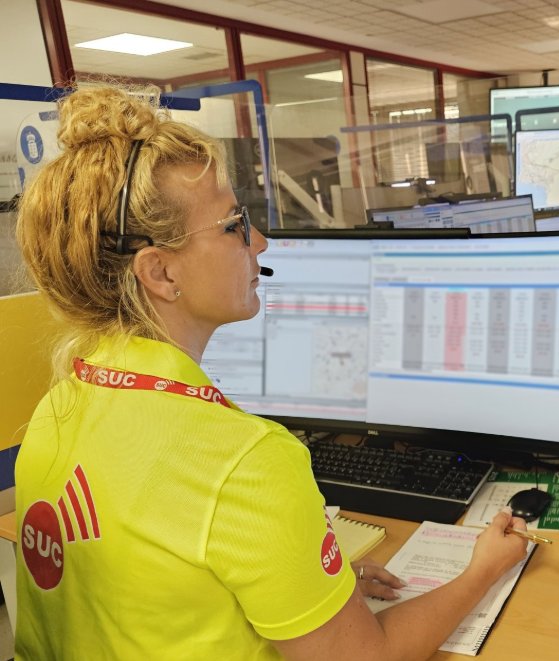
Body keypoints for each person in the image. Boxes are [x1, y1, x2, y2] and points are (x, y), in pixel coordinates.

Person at [14, 85, 528, 660]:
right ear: (159, 272)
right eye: (234, 225)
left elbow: (151, 596)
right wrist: (482, 570)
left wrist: (309, 592)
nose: (258, 240)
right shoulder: (243, 461)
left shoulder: (58, 409)